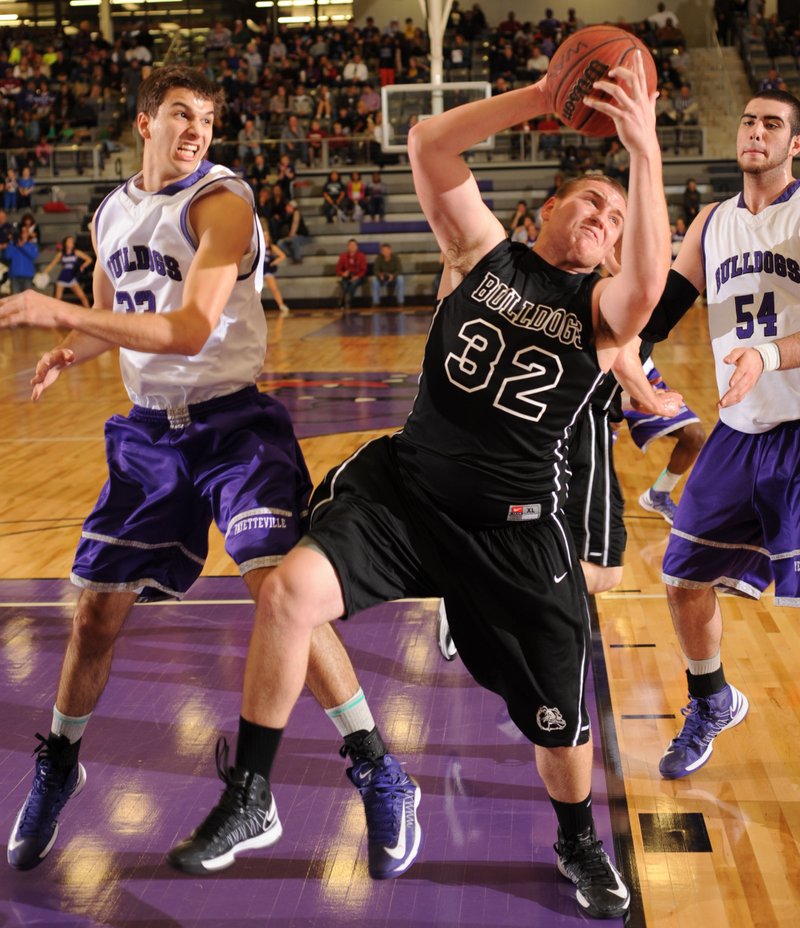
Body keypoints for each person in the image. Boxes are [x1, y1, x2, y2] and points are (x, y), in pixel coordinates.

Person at [168, 53, 671, 920]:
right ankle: (252, 794)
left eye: (615, 214)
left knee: (563, 725)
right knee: (287, 592)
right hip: (407, 496)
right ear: (546, 207)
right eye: (589, 197)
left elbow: (649, 286)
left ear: (617, 246)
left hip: (514, 533)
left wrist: (644, 152)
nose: (600, 214)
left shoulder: (602, 316)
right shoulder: (481, 252)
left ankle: (578, 836)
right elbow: (431, 140)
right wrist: (543, 99)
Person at [0, 65, 419, 881]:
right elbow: (120, 305)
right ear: (144, 120)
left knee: (280, 591)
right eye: (183, 114)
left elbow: (191, 329)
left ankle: (379, 767)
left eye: (209, 118)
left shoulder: (223, 200)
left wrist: (59, 313)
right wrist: (72, 346)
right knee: (95, 616)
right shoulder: (113, 211)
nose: (198, 129)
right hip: (151, 437)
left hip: (234, 426)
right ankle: (60, 761)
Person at [639, 89, 800, 781]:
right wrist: (619, 359)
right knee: (681, 578)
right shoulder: (710, 222)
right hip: (740, 431)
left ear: (796, 145)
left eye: (773, 123)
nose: (756, 130)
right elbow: (660, 314)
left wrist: (768, 354)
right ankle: (712, 700)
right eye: (749, 120)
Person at [615, 340, 706, 525]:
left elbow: (647, 335)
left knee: (694, 437)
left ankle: (658, 495)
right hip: (602, 378)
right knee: (593, 456)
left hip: (642, 376)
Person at [41, 235, 93, 307]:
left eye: (72, 241)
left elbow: (89, 259)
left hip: (72, 278)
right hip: (62, 278)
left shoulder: (76, 252)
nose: (71, 242)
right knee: (57, 299)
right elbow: (52, 264)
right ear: (65, 243)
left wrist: (82, 266)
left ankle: (89, 314)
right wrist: (43, 273)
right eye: (69, 241)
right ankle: (54, 314)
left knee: (83, 297)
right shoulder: (61, 254)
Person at [260, 221, 290, 313]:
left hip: (267, 270)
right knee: (256, 291)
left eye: (266, 235)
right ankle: (255, 308)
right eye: (264, 235)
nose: (265, 237)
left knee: (274, 288)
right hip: (258, 271)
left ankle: (281, 305)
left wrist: (273, 262)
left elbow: (283, 255)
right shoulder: (258, 246)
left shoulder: (272, 247)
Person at [0, 221, 39, 293]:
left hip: (28, 275)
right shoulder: (12, 244)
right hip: (14, 275)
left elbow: (34, 256)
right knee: (15, 298)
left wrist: (23, 246)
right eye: (22, 232)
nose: (24, 234)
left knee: (27, 298)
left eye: (26, 232)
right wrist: (13, 243)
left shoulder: (32, 244)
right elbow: (7, 256)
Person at [335, 237, 367, 309]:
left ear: (357, 247)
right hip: (347, 276)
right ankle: (344, 302)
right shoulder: (343, 256)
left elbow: (363, 270)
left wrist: (357, 276)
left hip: (359, 276)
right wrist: (343, 273)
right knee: (344, 284)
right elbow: (338, 270)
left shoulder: (361, 256)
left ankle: (346, 301)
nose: (352, 247)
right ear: (348, 247)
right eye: (350, 245)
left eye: (354, 245)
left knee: (353, 283)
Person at [370, 242, 405, 306]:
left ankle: (400, 302)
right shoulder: (378, 258)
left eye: (387, 250)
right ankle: (376, 302)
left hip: (393, 278)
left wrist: (393, 276)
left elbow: (399, 270)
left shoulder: (396, 258)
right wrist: (380, 275)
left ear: (390, 250)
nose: (385, 252)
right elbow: (375, 270)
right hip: (382, 279)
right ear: (381, 251)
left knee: (401, 279)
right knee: (374, 280)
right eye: (383, 250)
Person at [277, 200, 311, 264]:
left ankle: (297, 259)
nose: (286, 208)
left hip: (304, 237)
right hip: (293, 237)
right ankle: (292, 255)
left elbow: (295, 223)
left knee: (294, 239)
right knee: (280, 242)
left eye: (288, 206)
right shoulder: (288, 216)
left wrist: (292, 234)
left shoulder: (296, 212)